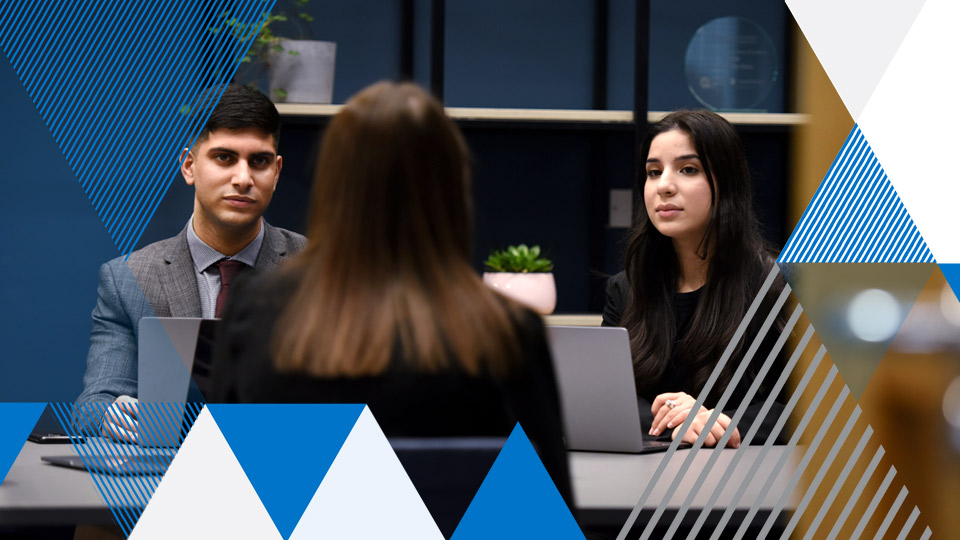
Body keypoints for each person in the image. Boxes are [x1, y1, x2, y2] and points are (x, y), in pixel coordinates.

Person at [210, 81, 571, 502]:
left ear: (333, 184)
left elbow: (222, 497)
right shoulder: (509, 331)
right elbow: (549, 512)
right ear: (452, 189)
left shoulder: (256, 312)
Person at [75, 84, 306, 442]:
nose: (243, 178)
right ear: (189, 166)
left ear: (276, 172)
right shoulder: (129, 279)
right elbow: (93, 403)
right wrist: (116, 416)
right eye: (225, 158)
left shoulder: (320, 272)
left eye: (258, 161)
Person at [603, 109, 786, 448]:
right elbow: (607, 399)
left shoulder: (775, 287)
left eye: (688, 169)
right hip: (643, 478)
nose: (665, 186)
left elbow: (807, 407)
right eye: (653, 172)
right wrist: (676, 417)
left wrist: (721, 420)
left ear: (726, 183)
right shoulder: (626, 289)